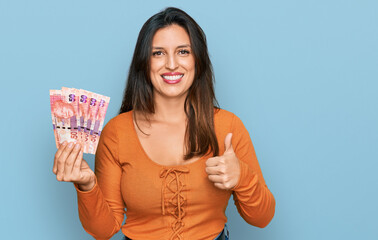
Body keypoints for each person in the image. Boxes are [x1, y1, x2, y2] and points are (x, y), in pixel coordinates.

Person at [52, 7, 275, 240]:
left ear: (198, 60)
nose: (171, 64)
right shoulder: (117, 133)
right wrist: (87, 186)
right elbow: (103, 230)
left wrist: (242, 177)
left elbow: (262, 218)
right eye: (158, 53)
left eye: (183, 52)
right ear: (144, 63)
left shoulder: (229, 127)